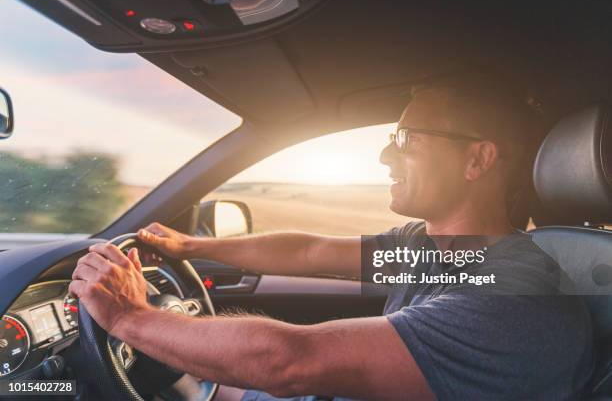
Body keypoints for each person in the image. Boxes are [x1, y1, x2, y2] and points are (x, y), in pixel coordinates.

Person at [70, 76, 594, 400]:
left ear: (478, 159)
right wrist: (192, 247)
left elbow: (288, 362)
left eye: (407, 140)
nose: (387, 156)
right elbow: (309, 251)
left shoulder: (514, 297)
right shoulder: (426, 247)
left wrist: (128, 317)